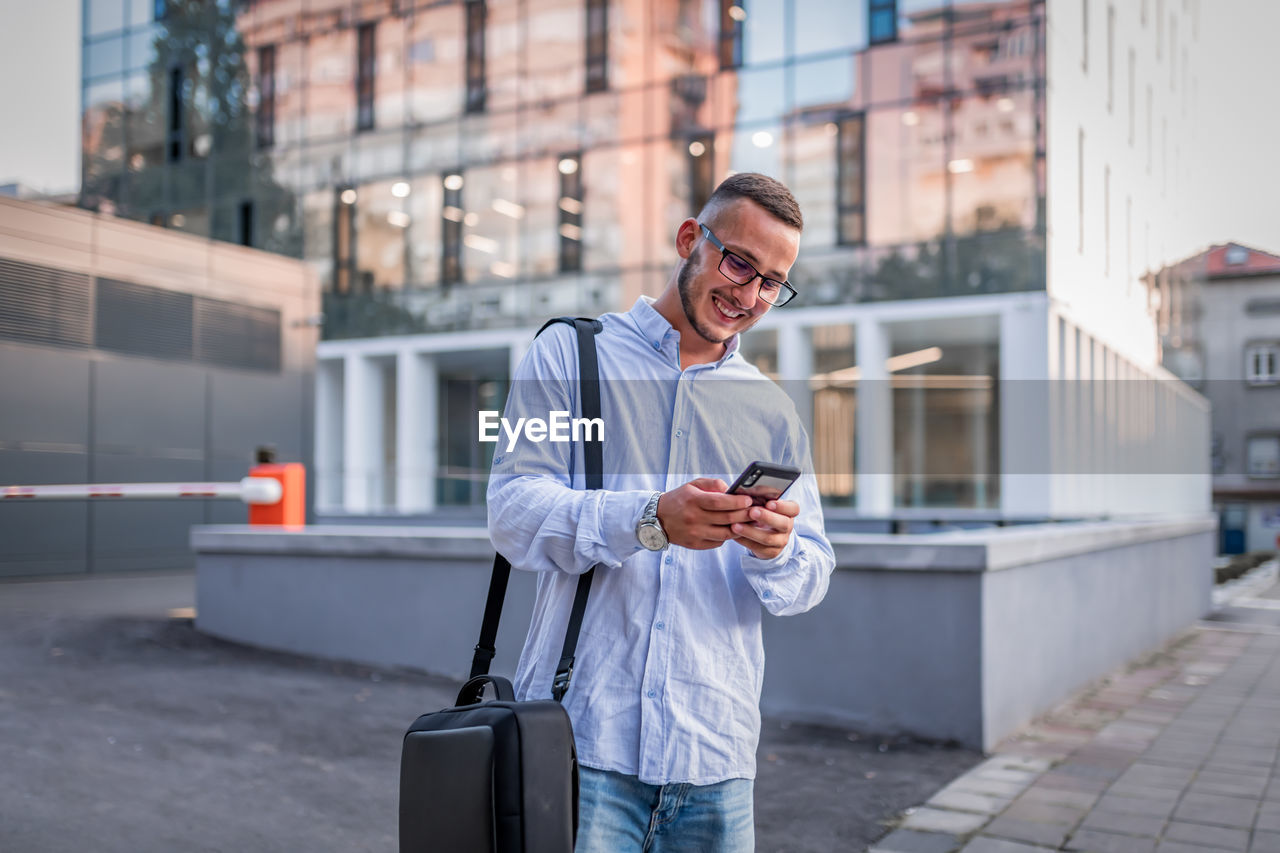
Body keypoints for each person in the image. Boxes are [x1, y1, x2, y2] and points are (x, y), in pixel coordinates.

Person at [487, 172, 835, 852]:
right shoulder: (568, 355)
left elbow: (812, 571)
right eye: (739, 262)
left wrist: (778, 548)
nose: (749, 294)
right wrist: (649, 520)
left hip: (716, 763)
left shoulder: (771, 411)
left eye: (772, 282)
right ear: (688, 240)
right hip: (582, 749)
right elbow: (513, 509)